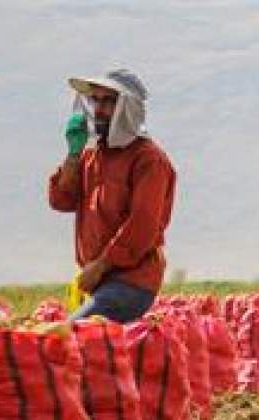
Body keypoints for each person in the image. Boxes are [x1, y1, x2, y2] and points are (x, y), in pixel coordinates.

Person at [48, 68, 176, 323]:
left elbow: (142, 225)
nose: (99, 109)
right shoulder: (91, 156)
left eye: (109, 101)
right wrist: (73, 155)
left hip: (130, 283)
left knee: (69, 340)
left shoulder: (148, 159)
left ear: (128, 108)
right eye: (96, 100)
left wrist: (100, 266)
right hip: (100, 283)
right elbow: (61, 200)